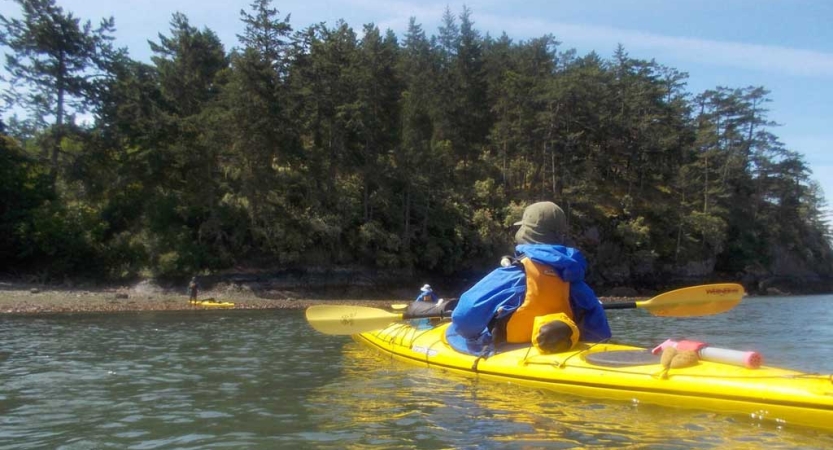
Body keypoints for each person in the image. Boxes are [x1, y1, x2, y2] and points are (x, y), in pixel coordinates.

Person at [447, 201, 612, 354]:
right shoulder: (574, 278)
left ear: (527, 232)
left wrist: (476, 333)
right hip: (560, 351)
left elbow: (463, 319)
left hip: (510, 351)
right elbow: (599, 333)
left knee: (454, 331)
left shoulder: (514, 274)